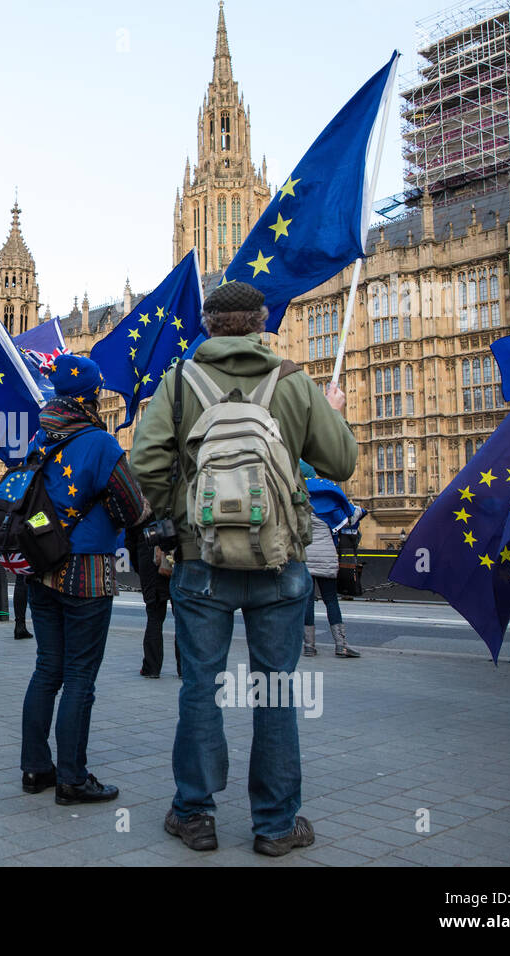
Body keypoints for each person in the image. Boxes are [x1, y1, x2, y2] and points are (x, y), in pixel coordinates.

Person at [130, 280, 356, 857]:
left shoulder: (179, 382)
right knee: (276, 689)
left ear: (207, 328)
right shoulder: (292, 380)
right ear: (261, 324)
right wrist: (325, 414)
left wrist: (184, 515)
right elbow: (343, 461)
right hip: (280, 562)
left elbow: (145, 463)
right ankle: (276, 825)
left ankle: (195, 815)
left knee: (200, 687)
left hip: (201, 560)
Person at [19, 354, 147, 804]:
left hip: (40, 569)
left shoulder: (40, 437)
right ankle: (73, 778)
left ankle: (35, 769)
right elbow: (133, 509)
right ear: (92, 397)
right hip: (87, 574)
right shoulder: (100, 443)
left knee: (46, 670)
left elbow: (28, 499)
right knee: (79, 677)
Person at [301, 478, 357, 657]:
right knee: (331, 601)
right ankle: (341, 645)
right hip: (326, 559)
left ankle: (309, 646)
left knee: (307, 603)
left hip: (306, 559)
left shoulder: (300, 508)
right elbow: (351, 520)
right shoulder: (330, 508)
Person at [125, 525, 179, 678]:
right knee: (181, 616)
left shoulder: (140, 504)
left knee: (154, 616)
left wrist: (139, 567)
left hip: (148, 553)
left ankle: (151, 668)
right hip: (176, 551)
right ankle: (185, 667)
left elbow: (130, 541)